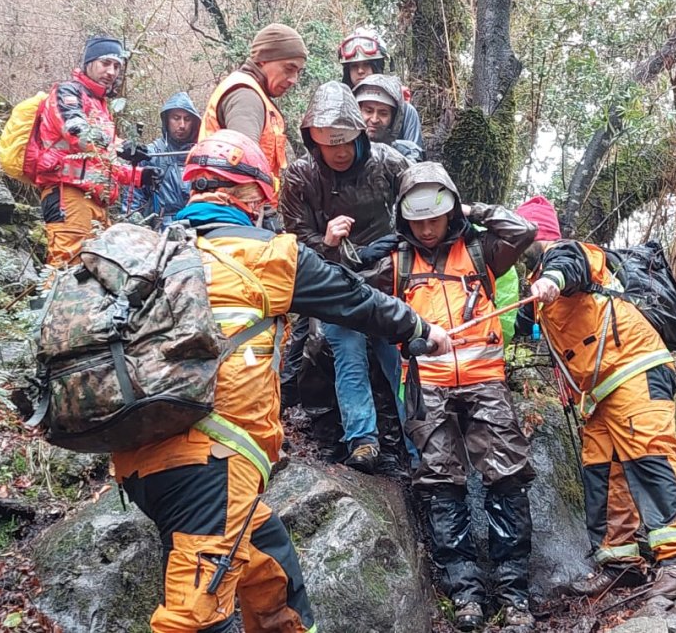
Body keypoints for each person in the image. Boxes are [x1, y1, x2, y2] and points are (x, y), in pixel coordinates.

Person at [112, 130, 451, 633]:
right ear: (250, 196)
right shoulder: (263, 254)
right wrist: (421, 329)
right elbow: (353, 298)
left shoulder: (154, 254)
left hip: (136, 448)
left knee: (269, 570)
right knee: (196, 618)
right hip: (212, 458)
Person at [359, 161, 537, 631]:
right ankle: (466, 594)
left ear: (450, 212)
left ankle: (515, 594)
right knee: (441, 483)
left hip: (485, 381)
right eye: (417, 220)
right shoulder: (395, 262)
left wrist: (473, 207)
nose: (427, 228)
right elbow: (352, 291)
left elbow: (523, 229)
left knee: (506, 477)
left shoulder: (481, 249)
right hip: (427, 386)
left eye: (434, 217)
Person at [525, 207, 676, 600]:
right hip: (600, 392)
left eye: (526, 234)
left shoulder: (568, 253)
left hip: (634, 370)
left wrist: (553, 279)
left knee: (649, 454)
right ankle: (619, 562)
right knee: (601, 472)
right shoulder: (535, 285)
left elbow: (569, 265)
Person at [279, 81, 410, 474]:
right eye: (326, 143)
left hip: (387, 274)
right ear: (312, 141)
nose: (336, 151)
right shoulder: (300, 177)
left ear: (359, 136)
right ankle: (362, 440)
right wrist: (329, 241)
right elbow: (295, 243)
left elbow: (419, 213)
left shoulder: (389, 162)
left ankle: (417, 439)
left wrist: (388, 246)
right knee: (346, 352)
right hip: (334, 280)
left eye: (344, 141)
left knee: (397, 356)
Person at [32, 36, 155, 267]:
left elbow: (102, 161)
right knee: (67, 264)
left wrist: (138, 175)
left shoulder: (101, 106)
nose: (111, 71)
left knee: (94, 272)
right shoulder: (67, 93)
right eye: (105, 63)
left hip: (97, 201)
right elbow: (76, 130)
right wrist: (120, 147)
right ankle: (48, 303)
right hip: (67, 194)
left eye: (117, 66)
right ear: (89, 63)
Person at [200, 22, 308, 217]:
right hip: (233, 215)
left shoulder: (255, 94)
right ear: (263, 60)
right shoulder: (246, 97)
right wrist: (262, 222)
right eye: (289, 68)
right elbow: (242, 170)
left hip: (237, 213)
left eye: (298, 72)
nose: (293, 79)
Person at [124, 92, 201, 227]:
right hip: (160, 229)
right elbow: (133, 199)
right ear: (167, 120)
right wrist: (132, 228)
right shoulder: (152, 154)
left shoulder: (202, 154)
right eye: (176, 118)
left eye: (187, 119)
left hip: (197, 224)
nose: (182, 125)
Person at [338, 28, 423, 149]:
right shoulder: (341, 109)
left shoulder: (406, 111)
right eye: (354, 66)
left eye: (367, 64)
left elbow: (415, 156)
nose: (360, 71)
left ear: (378, 66)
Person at [352, 73, 423, 160]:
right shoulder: (346, 148)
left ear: (394, 118)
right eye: (369, 111)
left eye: (383, 113)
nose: (374, 120)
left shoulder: (407, 151)